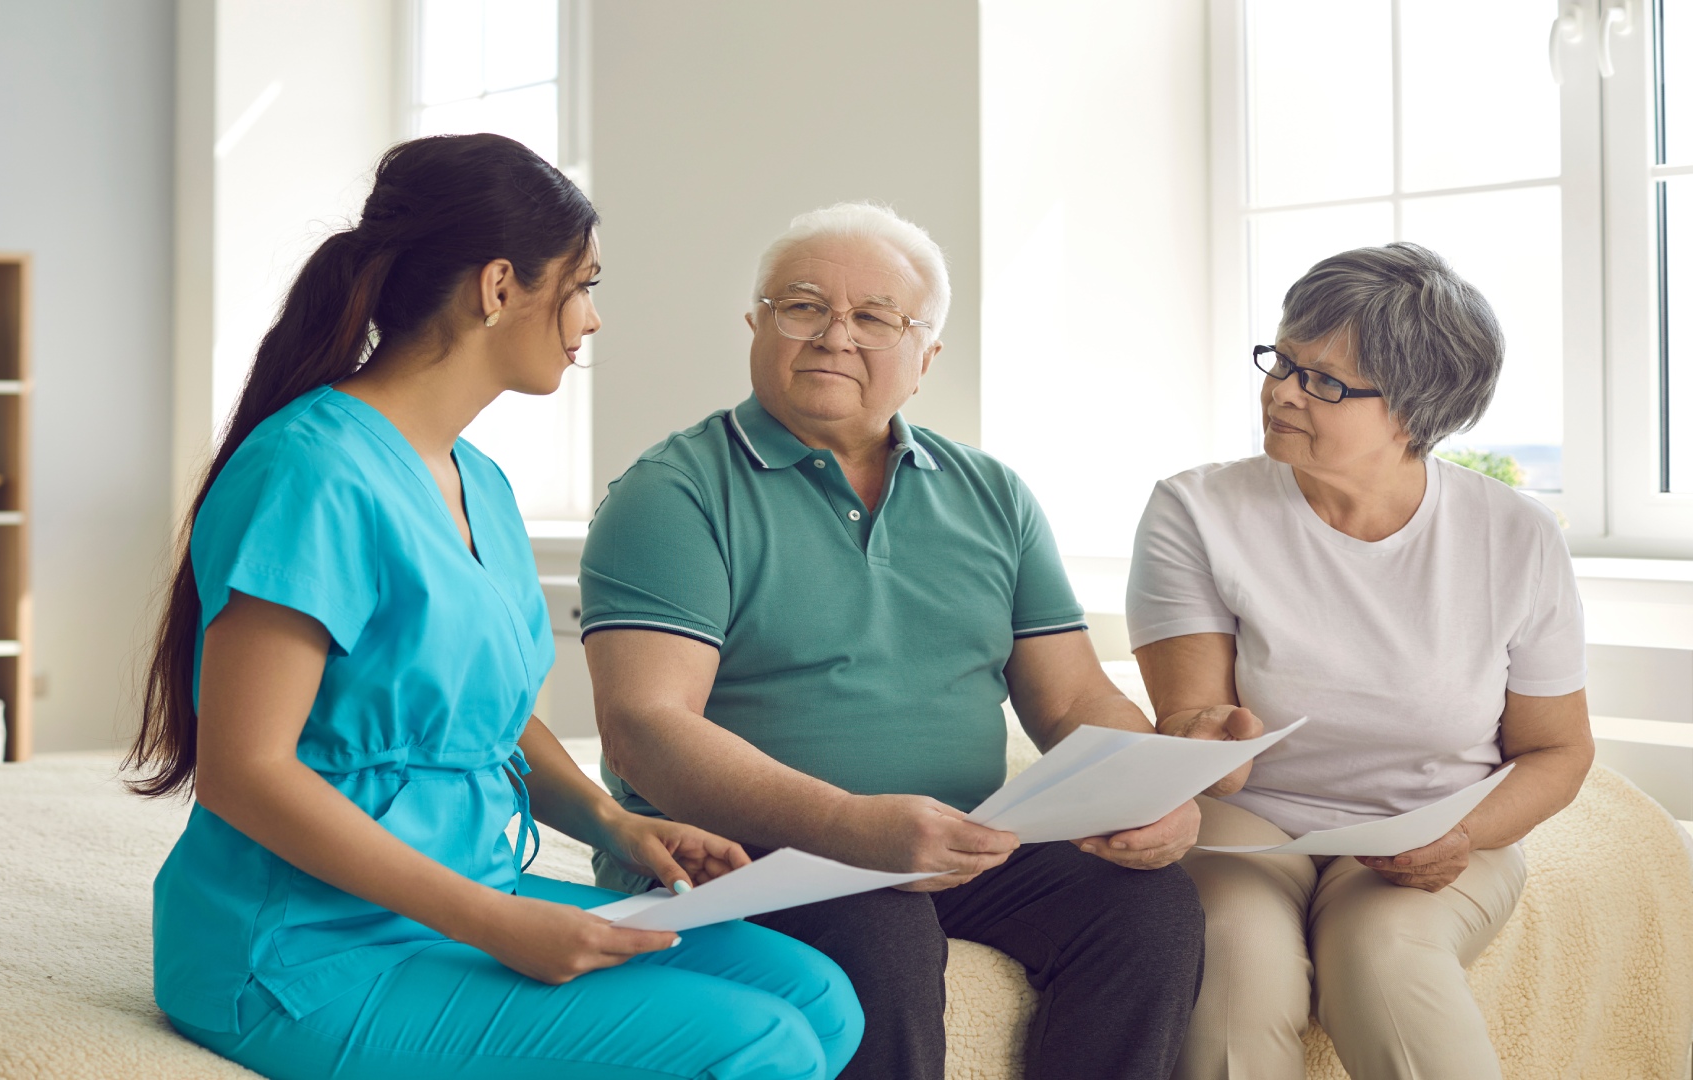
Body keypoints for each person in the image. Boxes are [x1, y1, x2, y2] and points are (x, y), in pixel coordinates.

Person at [126, 134, 863, 1080]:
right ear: (500, 286)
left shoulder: (482, 482)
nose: (591, 321)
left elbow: (494, 721)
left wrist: (613, 824)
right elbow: (245, 772)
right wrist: (497, 923)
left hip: (465, 892)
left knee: (817, 998)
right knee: (761, 1045)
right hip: (306, 947)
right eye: (584, 284)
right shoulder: (310, 472)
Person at [579, 201, 1206, 1080]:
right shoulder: (672, 494)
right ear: (757, 323)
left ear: (925, 358)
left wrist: (1146, 789)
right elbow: (646, 728)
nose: (835, 336)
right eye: (802, 306)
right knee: (879, 920)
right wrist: (847, 827)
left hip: (958, 840)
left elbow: (1071, 698)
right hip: (743, 852)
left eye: (875, 318)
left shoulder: (994, 494)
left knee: (1148, 909)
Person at [1128, 242, 1595, 1080]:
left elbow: (1558, 750)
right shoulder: (1195, 510)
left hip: (1438, 819)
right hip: (1252, 820)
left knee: (1383, 957)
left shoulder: (1515, 538)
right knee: (1240, 967)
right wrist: (1208, 738)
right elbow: (1189, 718)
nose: (1281, 391)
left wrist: (1465, 834)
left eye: (1325, 382)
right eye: (1282, 360)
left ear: (1415, 414)